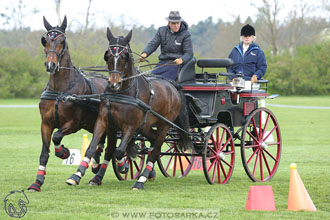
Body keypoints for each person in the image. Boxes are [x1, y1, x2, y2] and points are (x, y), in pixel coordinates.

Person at [140, 11, 193, 81]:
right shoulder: (161, 31)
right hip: (162, 63)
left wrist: (182, 59)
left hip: (176, 65)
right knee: (150, 79)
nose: (176, 25)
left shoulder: (186, 34)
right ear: (169, 23)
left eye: (178, 23)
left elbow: (189, 53)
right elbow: (153, 44)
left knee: (163, 82)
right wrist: (145, 53)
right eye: (174, 23)